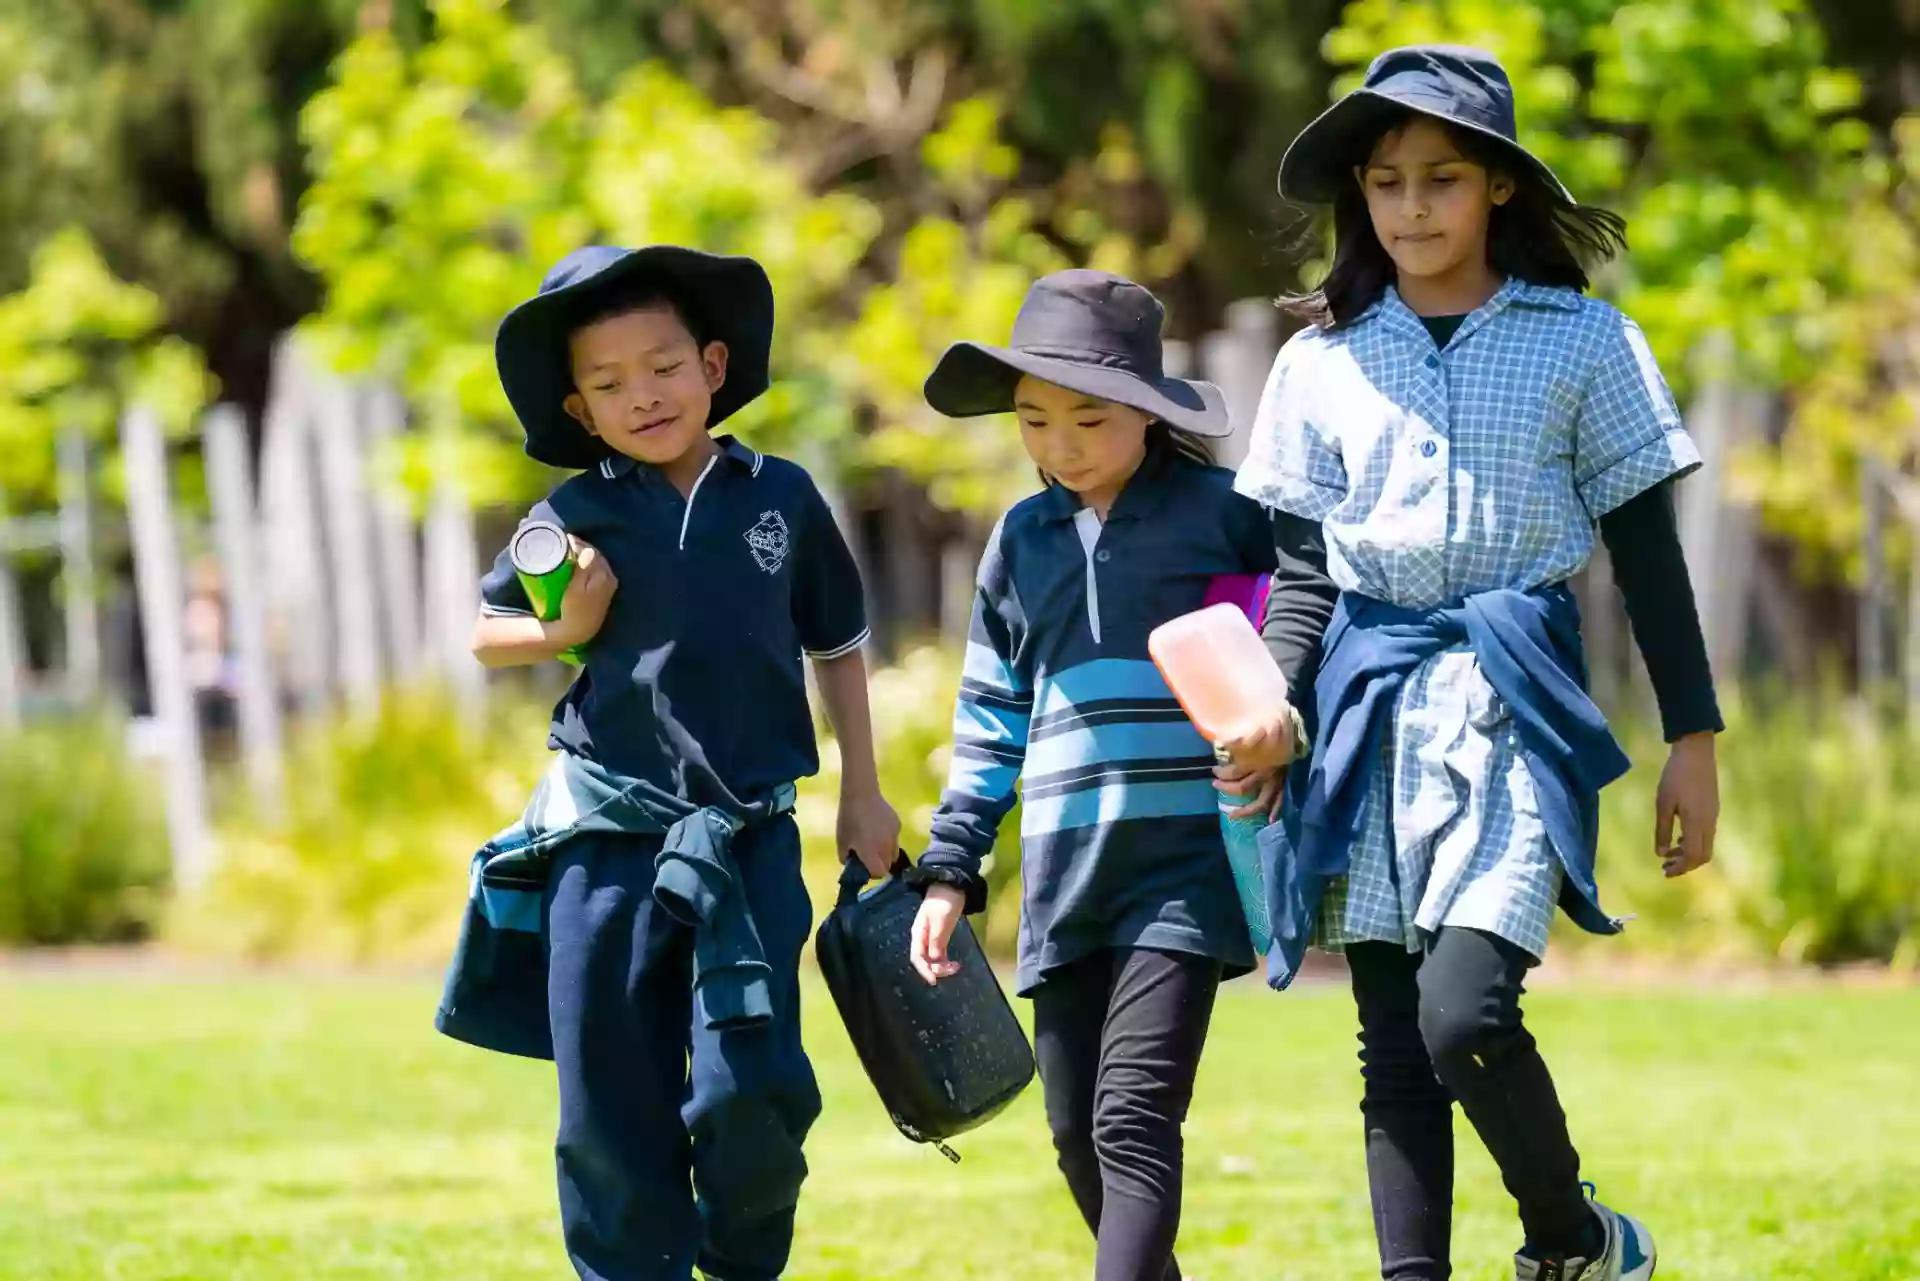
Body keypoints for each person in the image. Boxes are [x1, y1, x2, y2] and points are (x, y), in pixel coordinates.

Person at [1227, 45, 1725, 1281]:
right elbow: (1300, 578)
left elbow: (1650, 566)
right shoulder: (1319, 361)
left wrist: (1695, 744)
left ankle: (1572, 1235)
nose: (1411, 209)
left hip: (1510, 704)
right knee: (1392, 1045)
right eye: (1386, 184)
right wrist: (1268, 708)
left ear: (1498, 186)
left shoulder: (1586, 342)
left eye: (1441, 179)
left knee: (1465, 1015)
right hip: (1365, 709)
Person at [442, 244, 900, 1281]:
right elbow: (485, 634)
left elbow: (837, 644)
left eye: (661, 367)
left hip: (750, 843)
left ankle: (741, 1261)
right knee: (609, 1102)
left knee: (755, 1089)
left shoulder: (778, 494)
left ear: (713, 364)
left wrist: (864, 792)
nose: (641, 396)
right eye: (608, 386)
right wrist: (572, 624)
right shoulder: (568, 518)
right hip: (604, 851)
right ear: (582, 410)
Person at [906, 269, 1280, 1281]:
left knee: (1131, 1118)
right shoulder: (1019, 541)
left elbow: (1276, 657)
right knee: (1075, 1134)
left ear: (1151, 417)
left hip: (1185, 871)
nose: (1059, 447)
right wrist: (951, 868)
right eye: (1033, 422)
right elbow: (990, 717)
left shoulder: (1227, 517)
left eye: (1087, 420)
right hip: (1067, 876)